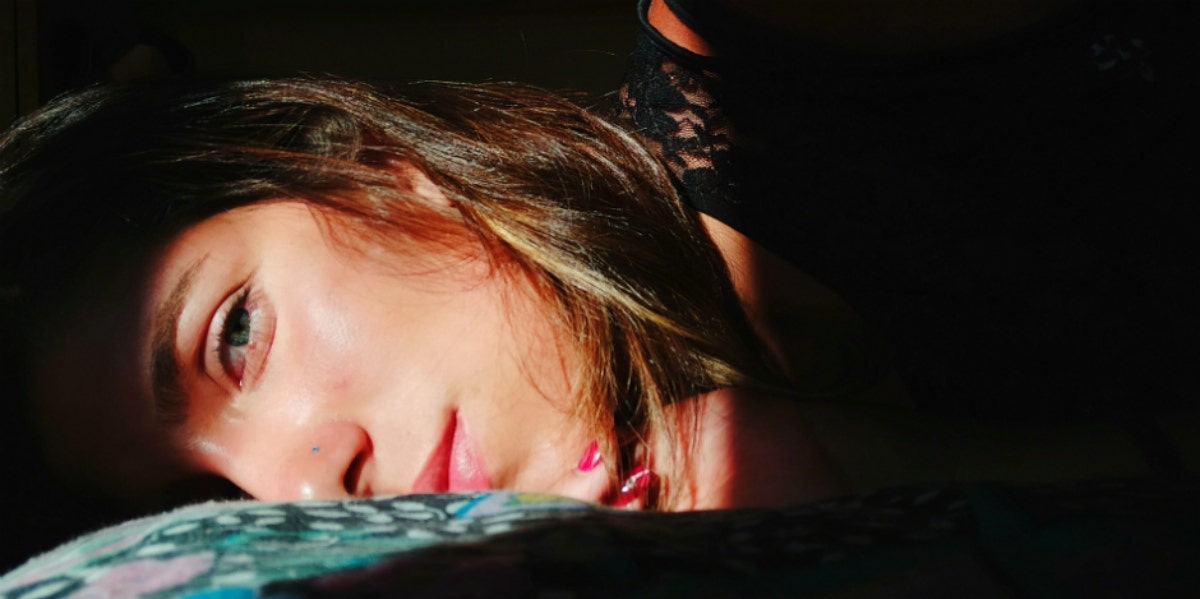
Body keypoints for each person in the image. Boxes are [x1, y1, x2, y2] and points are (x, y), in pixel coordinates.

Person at [1, 0, 1194, 569]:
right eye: (201, 495)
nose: (304, 480)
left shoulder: (772, 45)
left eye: (237, 333)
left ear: (369, 168)